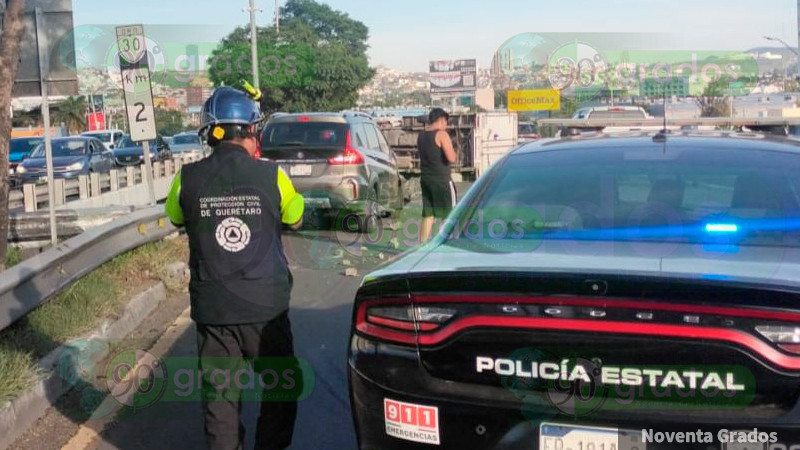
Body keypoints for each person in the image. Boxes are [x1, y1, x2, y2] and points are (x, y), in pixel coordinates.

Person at [165, 86, 304, 450]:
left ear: (211, 132)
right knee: (280, 388)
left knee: (220, 402)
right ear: (251, 131)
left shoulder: (186, 178)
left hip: (214, 309)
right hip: (266, 308)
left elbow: (174, 216)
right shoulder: (272, 176)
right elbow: (296, 214)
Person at [418, 107, 457, 242]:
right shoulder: (442, 135)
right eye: (445, 122)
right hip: (442, 180)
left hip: (426, 179)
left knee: (428, 214)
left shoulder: (421, 136)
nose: (446, 126)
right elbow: (451, 158)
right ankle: (443, 244)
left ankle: (421, 247)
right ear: (441, 120)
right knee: (449, 214)